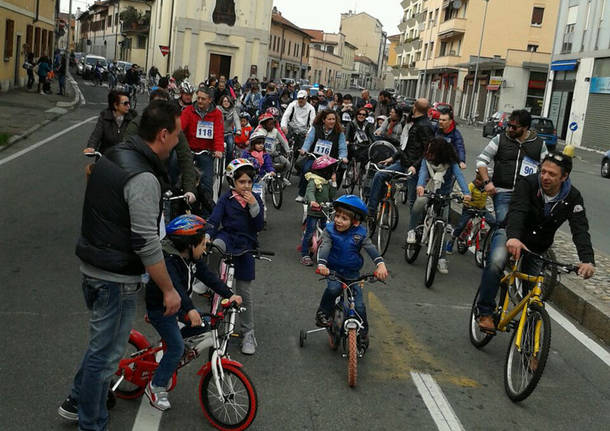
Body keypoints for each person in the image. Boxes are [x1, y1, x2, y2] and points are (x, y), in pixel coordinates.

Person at [58, 100, 183, 428]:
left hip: (94, 266)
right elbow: (146, 243)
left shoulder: (114, 154)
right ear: (163, 134)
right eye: (177, 135)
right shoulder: (143, 177)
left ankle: (75, 399)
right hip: (114, 278)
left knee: (102, 346)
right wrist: (169, 290)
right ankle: (91, 422)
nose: (178, 141)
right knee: (106, 358)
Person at [477, 153, 595, 333]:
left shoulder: (573, 197)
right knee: (496, 262)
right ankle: (484, 312)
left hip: (538, 246)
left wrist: (587, 260)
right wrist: (514, 237)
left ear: (564, 177)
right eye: (543, 171)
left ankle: (532, 347)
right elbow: (517, 210)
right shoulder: (528, 184)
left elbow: (580, 230)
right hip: (511, 233)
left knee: (534, 297)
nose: (545, 177)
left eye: (552, 174)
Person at [144, 214, 242, 410]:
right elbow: (177, 288)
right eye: (201, 243)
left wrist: (229, 294)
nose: (205, 247)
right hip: (162, 309)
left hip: (178, 307)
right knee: (176, 348)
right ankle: (155, 386)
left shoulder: (191, 259)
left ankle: (174, 345)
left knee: (206, 323)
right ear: (189, 245)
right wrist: (189, 309)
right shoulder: (170, 262)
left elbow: (208, 277)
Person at [474, 109, 549, 328]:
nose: (509, 129)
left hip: (530, 198)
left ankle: (531, 317)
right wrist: (487, 182)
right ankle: (485, 311)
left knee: (534, 260)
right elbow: (482, 160)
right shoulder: (500, 139)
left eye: (514, 127)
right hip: (504, 193)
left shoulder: (539, 145)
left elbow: (548, 169)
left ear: (525, 128)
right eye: (508, 125)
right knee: (498, 256)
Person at [205, 159, 265, 354]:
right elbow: (215, 219)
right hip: (227, 237)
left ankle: (248, 333)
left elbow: (258, 226)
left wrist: (254, 206)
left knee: (244, 293)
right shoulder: (226, 198)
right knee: (215, 247)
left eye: (249, 182)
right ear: (232, 182)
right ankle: (209, 279)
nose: (246, 186)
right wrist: (207, 235)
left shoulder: (256, 199)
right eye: (242, 182)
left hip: (246, 245)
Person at [314, 195, 388, 349]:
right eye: (337, 216)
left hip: (353, 273)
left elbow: (370, 248)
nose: (339, 221)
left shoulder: (360, 234)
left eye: (344, 218)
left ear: (355, 222)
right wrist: (322, 264)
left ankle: (363, 333)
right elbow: (325, 246)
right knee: (333, 289)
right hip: (333, 270)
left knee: (359, 306)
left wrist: (380, 265)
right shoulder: (329, 231)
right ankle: (323, 313)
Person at [406, 137, 472, 274]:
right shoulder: (426, 161)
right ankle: (411, 231)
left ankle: (441, 258)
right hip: (429, 191)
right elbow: (423, 173)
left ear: (440, 153)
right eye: (428, 150)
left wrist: (466, 193)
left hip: (444, 195)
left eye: (432, 151)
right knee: (418, 204)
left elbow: (460, 176)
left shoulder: (451, 164)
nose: (428, 153)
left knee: (444, 223)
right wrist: (420, 186)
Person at [125, 89, 197, 205]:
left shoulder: (174, 126)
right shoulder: (136, 125)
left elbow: (185, 156)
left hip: (163, 179)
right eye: (157, 105)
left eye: (164, 105)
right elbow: (126, 153)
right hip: (139, 178)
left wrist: (189, 189)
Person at [366, 99, 434, 216]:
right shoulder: (414, 123)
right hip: (403, 162)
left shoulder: (424, 126)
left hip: (413, 167)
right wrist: (393, 158)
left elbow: (427, 151)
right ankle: (372, 211)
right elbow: (405, 146)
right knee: (380, 175)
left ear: (414, 108)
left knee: (413, 201)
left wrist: (414, 166)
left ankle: (415, 230)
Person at [181, 87, 224, 214]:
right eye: (198, 98)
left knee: (206, 182)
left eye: (203, 99)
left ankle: (207, 215)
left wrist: (218, 149)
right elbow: (180, 129)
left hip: (205, 151)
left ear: (210, 100)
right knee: (179, 178)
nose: (199, 101)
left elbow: (218, 133)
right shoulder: (188, 111)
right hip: (188, 150)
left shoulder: (216, 114)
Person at [297, 109, 348, 202]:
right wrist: (304, 149)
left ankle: (330, 196)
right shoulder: (316, 128)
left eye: (334, 119)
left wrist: (343, 156)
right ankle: (302, 193)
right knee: (306, 169)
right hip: (315, 158)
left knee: (335, 175)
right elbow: (309, 140)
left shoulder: (339, 132)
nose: (332, 121)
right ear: (323, 120)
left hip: (330, 160)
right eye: (329, 119)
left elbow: (342, 146)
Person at [300, 156, 338, 266]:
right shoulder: (314, 180)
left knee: (325, 232)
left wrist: (334, 184)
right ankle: (305, 254)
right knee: (309, 232)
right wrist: (312, 201)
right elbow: (310, 192)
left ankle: (323, 252)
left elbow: (331, 195)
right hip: (314, 211)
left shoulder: (326, 182)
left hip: (325, 211)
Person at [446, 170, 493, 254]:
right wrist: (465, 200)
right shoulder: (471, 186)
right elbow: (465, 194)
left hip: (481, 209)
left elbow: (493, 195)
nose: (477, 182)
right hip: (469, 208)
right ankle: (451, 241)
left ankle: (490, 246)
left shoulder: (488, 188)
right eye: (477, 179)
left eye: (480, 180)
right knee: (461, 225)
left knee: (494, 222)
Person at [85, 90, 138, 155]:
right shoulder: (104, 117)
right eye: (125, 103)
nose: (129, 106)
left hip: (126, 157)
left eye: (129, 103)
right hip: (107, 157)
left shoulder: (133, 118)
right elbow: (96, 134)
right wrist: (91, 147)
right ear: (115, 105)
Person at [256, 112, 291, 184]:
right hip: (263, 155)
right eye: (269, 124)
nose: (272, 126)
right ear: (264, 124)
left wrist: (288, 150)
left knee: (287, 164)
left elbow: (283, 141)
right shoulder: (260, 132)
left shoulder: (275, 131)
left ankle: (281, 178)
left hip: (274, 154)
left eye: (273, 124)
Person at [218, 95, 241, 162]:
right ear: (221, 102)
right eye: (224, 101)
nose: (226, 103)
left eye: (228, 101)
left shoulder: (232, 110)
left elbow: (236, 119)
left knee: (230, 147)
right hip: (219, 133)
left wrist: (238, 130)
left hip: (229, 133)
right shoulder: (217, 109)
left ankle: (228, 163)